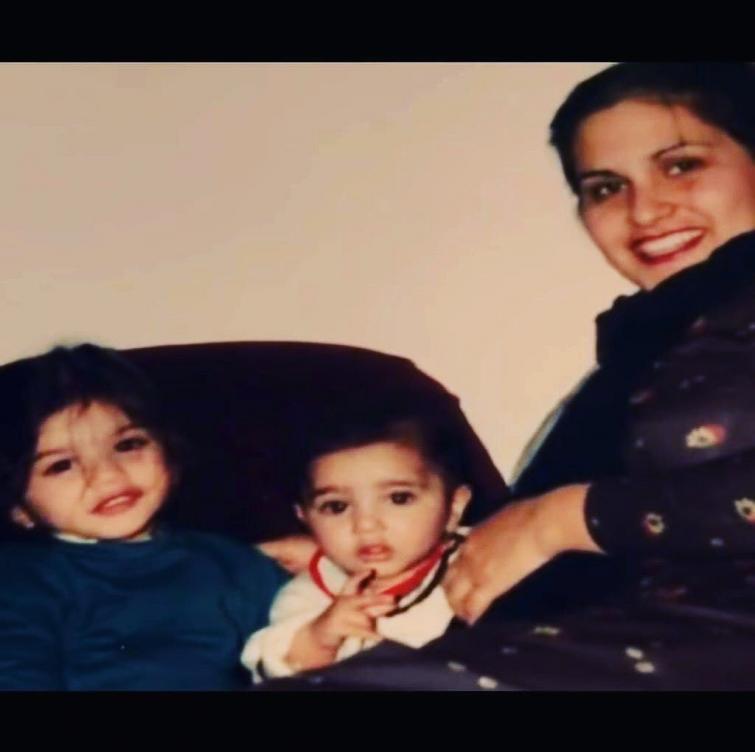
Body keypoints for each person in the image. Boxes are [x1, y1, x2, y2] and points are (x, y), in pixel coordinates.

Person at [444, 62, 755, 630]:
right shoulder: (643, 349)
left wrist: (561, 520)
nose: (644, 210)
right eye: (606, 188)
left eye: (682, 166)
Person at [0, 343, 287, 690]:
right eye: (61, 465)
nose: (107, 476)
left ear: (169, 452)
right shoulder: (20, 580)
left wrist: (321, 559)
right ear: (19, 508)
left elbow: (312, 638)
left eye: (128, 445)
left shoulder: (231, 563)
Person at [241, 409, 471, 680]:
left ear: (453, 507)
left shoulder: (478, 556)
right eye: (336, 507)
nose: (365, 524)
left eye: (398, 498)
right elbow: (274, 669)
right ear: (305, 518)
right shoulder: (311, 594)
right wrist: (319, 639)